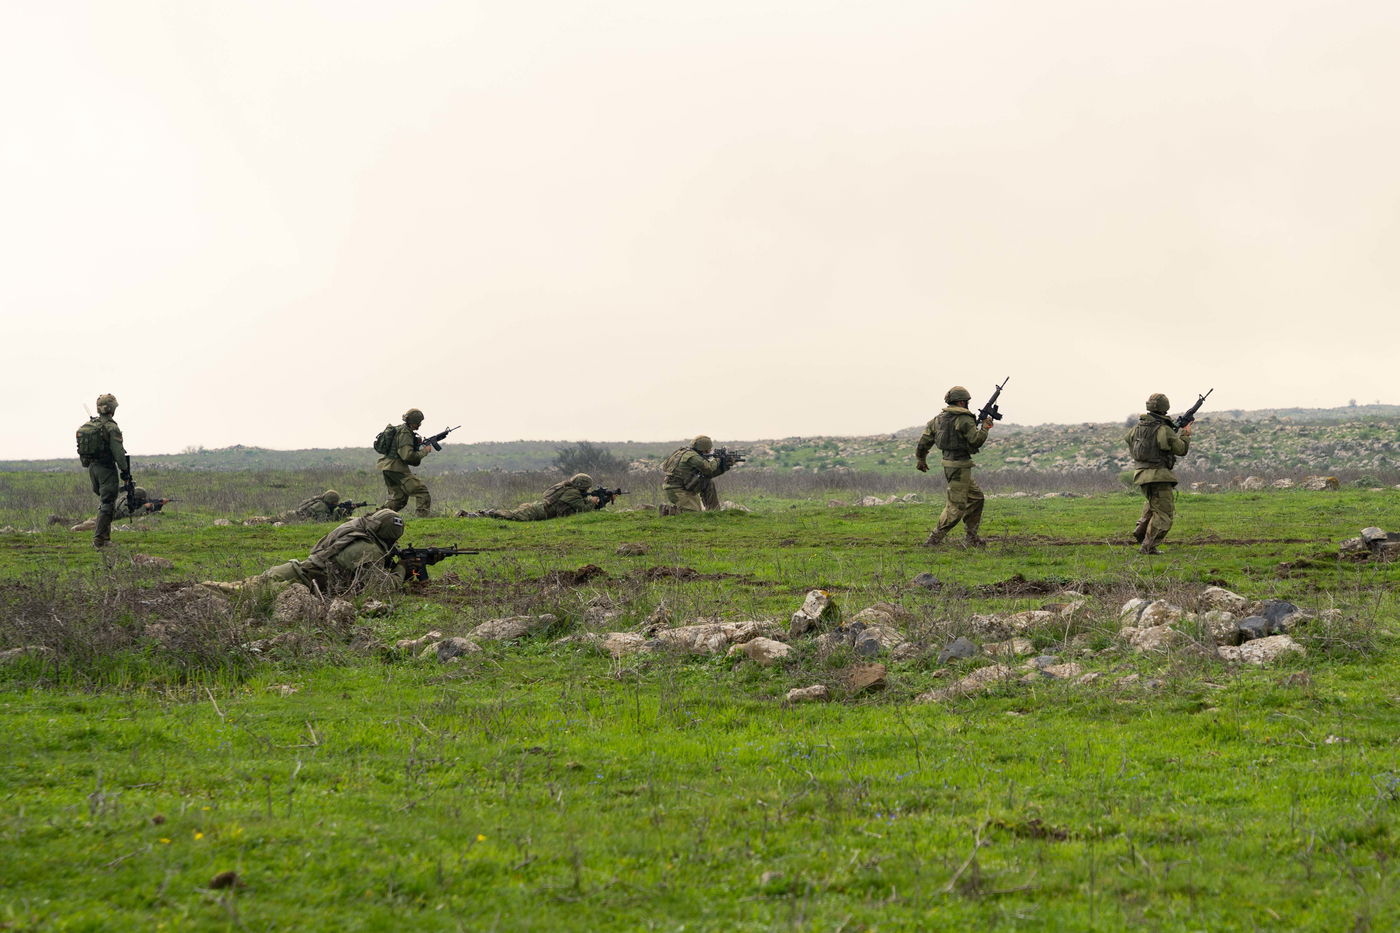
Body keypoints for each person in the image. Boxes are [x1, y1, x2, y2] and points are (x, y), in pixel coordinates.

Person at [202, 508, 409, 596]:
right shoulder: (368, 548)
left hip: (292, 570)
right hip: (294, 583)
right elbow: (380, 587)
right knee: (232, 593)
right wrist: (402, 570)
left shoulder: (355, 529)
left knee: (234, 588)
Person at [915, 386, 994, 547]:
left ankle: (971, 538)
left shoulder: (937, 420)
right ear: (961, 402)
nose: (967, 405)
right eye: (966, 402)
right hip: (959, 467)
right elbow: (975, 441)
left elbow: (923, 443)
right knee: (956, 507)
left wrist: (921, 460)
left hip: (951, 465)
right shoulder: (964, 419)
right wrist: (985, 428)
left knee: (976, 498)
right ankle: (933, 540)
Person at [1124, 393, 1193, 555]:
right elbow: (1181, 450)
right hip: (1159, 476)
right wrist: (1185, 434)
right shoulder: (1164, 429)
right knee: (1164, 514)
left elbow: (1131, 444)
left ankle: (1141, 533)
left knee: (1153, 508)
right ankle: (1148, 547)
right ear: (1165, 407)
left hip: (1141, 476)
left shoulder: (1137, 428)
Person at [76, 393, 130, 548]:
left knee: (105, 502)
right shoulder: (111, 427)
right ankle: (101, 540)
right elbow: (119, 453)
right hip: (106, 468)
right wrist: (125, 472)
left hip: (93, 468)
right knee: (107, 503)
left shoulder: (91, 425)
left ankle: (104, 538)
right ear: (112, 409)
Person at [466, 473, 605, 521]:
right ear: (581, 486)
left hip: (538, 508)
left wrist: (601, 501)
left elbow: (577, 506)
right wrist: (593, 502)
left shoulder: (569, 489)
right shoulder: (572, 493)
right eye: (587, 487)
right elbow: (582, 508)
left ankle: (480, 514)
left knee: (511, 515)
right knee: (510, 516)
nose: (588, 490)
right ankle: (474, 515)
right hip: (537, 511)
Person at [377, 409, 432, 516]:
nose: (419, 425)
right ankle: (422, 521)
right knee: (422, 492)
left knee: (399, 499)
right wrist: (425, 451)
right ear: (414, 422)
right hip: (397, 468)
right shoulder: (405, 433)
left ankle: (374, 518)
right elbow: (407, 456)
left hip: (387, 467)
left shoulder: (400, 429)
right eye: (418, 422)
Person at [660, 436, 728, 512]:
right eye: (708, 449)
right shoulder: (693, 456)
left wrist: (724, 466)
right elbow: (709, 469)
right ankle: (667, 510)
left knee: (707, 482)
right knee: (692, 513)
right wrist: (718, 459)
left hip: (684, 486)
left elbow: (708, 474)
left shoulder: (683, 452)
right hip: (676, 489)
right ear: (704, 448)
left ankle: (714, 512)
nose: (709, 451)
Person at [69, 486, 173, 532]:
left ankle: (77, 525)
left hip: (107, 516)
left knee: (94, 523)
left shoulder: (127, 499)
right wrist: (143, 508)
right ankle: (76, 528)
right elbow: (129, 515)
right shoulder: (126, 503)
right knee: (93, 524)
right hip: (107, 517)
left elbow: (147, 507)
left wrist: (160, 504)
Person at [275, 490, 342, 523]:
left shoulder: (320, 501)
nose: (336, 504)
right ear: (330, 501)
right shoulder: (321, 506)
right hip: (293, 517)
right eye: (335, 502)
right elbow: (323, 521)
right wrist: (337, 514)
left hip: (293, 514)